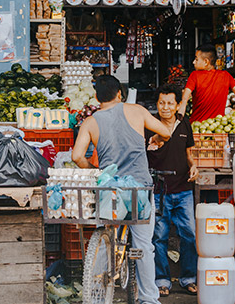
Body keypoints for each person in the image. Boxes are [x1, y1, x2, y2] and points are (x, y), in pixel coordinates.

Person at [72, 75, 172, 304]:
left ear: (97, 97)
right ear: (120, 94)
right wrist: (156, 137)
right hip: (138, 191)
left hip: (109, 191)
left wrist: (97, 171)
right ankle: (149, 299)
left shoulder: (91, 121)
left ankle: (98, 279)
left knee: (105, 229)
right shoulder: (136, 111)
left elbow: (77, 156)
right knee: (143, 246)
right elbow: (166, 132)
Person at [146, 84, 199, 297]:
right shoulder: (150, 125)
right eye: (161, 103)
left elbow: (188, 153)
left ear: (177, 104)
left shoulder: (184, 123)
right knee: (159, 237)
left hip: (184, 189)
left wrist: (193, 165)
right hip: (159, 190)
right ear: (156, 104)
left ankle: (188, 278)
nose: (165, 107)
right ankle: (162, 280)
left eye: (170, 103)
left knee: (189, 235)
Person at [178, 44, 235, 122]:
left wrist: (179, 119)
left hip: (197, 126)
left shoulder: (195, 75)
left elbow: (184, 99)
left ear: (206, 62)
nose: (193, 62)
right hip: (218, 127)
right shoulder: (226, 75)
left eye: (196, 59)